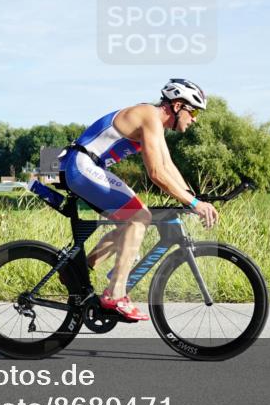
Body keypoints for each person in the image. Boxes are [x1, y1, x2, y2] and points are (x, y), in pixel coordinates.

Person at [58, 79, 219, 321]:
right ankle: (115, 294)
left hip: (85, 166)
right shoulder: (149, 116)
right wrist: (193, 204)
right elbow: (157, 174)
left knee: (131, 221)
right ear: (177, 106)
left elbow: (168, 165)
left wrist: (194, 197)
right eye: (193, 111)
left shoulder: (155, 123)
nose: (195, 118)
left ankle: (76, 271)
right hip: (82, 166)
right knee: (139, 216)